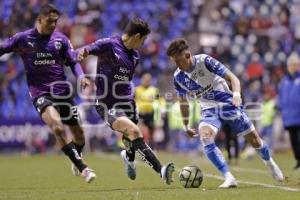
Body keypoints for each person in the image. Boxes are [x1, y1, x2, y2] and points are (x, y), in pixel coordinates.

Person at [166, 38, 284, 188]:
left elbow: (233, 78)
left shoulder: (204, 61)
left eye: (178, 60)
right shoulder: (178, 77)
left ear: (188, 55)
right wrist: (185, 124)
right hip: (209, 110)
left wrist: (236, 95)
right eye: (173, 61)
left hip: (228, 104)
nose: (176, 65)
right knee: (205, 137)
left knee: (255, 140)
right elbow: (183, 102)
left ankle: (270, 163)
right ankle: (229, 177)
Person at [0, 4, 96, 183]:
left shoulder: (60, 39)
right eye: (50, 21)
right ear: (40, 19)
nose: (53, 25)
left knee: (79, 135)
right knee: (57, 127)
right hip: (40, 92)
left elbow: (73, 61)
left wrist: (81, 77)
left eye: (55, 21)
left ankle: (76, 158)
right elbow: (3, 48)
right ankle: (83, 168)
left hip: (63, 93)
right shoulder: (23, 39)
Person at [77, 18, 175, 184]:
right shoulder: (110, 44)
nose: (143, 43)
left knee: (130, 137)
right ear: (136, 36)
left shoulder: (135, 56)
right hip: (106, 104)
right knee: (135, 131)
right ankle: (162, 170)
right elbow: (89, 48)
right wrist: (83, 53)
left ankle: (128, 157)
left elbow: (126, 81)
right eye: (143, 40)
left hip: (127, 102)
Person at [278, 52, 300, 170]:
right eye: (291, 64)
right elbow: (281, 97)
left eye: (295, 64)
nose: (293, 66)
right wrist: (281, 109)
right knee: (293, 140)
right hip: (289, 116)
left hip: (298, 114)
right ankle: (298, 160)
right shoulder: (284, 81)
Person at [135, 73, 159, 148]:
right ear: (142, 80)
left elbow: (158, 101)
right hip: (140, 113)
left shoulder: (155, 90)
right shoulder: (137, 90)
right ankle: (140, 147)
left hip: (150, 114)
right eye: (145, 79)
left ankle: (151, 148)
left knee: (151, 132)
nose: (146, 81)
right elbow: (133, 100)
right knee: (140, 131)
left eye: (148, 80)